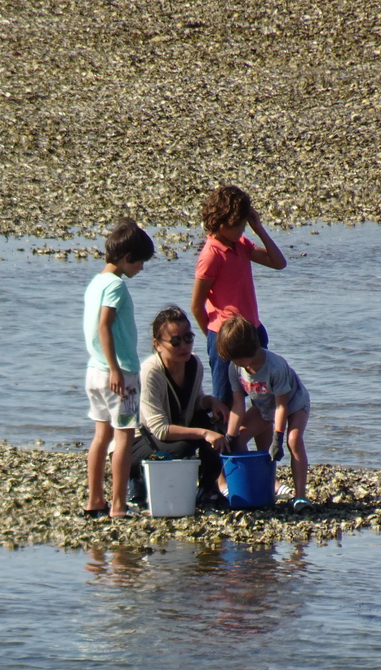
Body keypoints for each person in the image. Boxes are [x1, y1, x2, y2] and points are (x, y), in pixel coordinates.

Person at [83, 218, 154, 518]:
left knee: (101, 436)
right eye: (139, 262)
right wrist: (115, 369)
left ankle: (94, 500)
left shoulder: (95, 282)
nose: (141, 268)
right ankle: (118, 505)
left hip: (93, 371)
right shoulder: (116, 287)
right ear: (126, 258)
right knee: (124, 436)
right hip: (119, 373)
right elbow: (104, 326)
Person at [191, 185, 286, 407]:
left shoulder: (240, 244)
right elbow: (196, 306)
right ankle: (226, 440)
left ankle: (263, 444)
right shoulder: (211, 255)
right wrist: (216, 340)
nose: (242, 230)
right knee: (226, 403)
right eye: (238, 226)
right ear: (221, 224)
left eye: (244, 224)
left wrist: (258, 228)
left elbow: (279, 263)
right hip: (224, 336)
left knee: (263, 400)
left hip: (252, 331)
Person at [129, 305, 230, 508]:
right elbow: (159, 429)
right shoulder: (151, 371)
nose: (184, 346)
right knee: (186, 445)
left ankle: (207, 488)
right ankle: (137, 479)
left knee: (216, 427)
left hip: (171, 431)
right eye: (175, 341)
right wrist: (203, 434)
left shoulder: (194, 364)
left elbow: (195, 401)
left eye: (188, 338)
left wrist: (211, 402)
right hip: (140, 440)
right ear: (158, 345)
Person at [216, 314, 312, 512]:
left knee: (293, 440)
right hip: (264, 406)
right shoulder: (235, 367)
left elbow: (282, 406)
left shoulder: (275, 367)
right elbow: (238, 404)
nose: (240, 365)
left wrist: (278, 438)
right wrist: (230, 436)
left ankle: (300, 496)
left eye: (240, 359)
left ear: (252, 348)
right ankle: (255, 483)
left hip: (294, 404)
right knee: (240, 438)